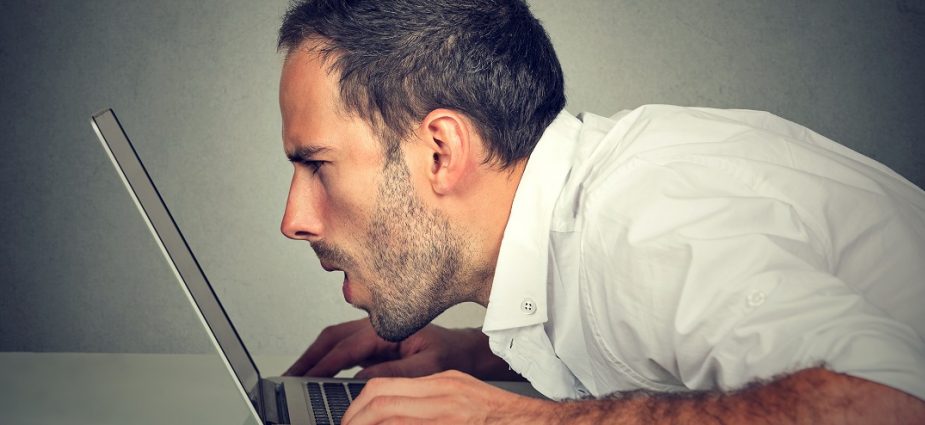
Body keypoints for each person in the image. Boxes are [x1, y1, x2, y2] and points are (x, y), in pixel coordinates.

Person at [275, 0, 925, 423]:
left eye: (317, 165)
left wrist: (512, 417)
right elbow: (652, 334)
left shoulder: (643, 222)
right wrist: (478, 356)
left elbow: (891, 402)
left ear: (441, 151)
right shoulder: (587, 219)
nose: (294, 218)